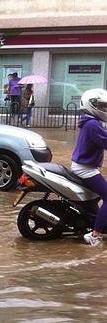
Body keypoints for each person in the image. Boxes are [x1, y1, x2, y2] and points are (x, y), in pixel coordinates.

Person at [71, 89, 107, 246]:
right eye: (102, 106)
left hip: (85, 166)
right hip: (85, 168)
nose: (105, 109)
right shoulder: (93, 124)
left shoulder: (90, 122)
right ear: (91, 105)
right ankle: (95, 234)